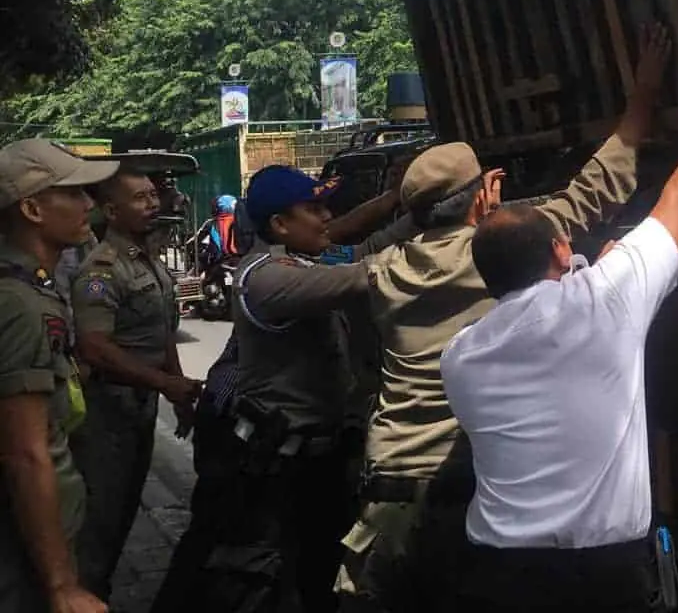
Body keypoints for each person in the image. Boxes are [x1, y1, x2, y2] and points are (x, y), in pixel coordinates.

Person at [337, 25, 673, 613]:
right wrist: (642, 96)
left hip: (387, 485)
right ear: (486, 195)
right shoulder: (497, 251)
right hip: (456, 492)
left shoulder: (385, 268)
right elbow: (598, 188)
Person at [441, 62, 678, 612]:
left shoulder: (461, 357)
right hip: (603, 573)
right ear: (557, 252)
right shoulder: (605, 301)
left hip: (500, 573)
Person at [150, 166, 416, 613]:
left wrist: (405, 206)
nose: (326, 217)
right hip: (270, 470)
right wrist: (454, 235)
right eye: (314, 209)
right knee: (243, 578)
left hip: (311, 460)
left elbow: (363, 246)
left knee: (313, 570)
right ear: (279, 225)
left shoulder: (301, 260)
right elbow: (370, 271)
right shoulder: (269, 277)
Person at [69, 169, 202, 601]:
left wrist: (174, 385)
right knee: (100, 528)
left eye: (152, 196)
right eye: (141, 198)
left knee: (124, 514)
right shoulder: (101, 270)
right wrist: (164, 383)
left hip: (139, 411)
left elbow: (161, 331)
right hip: (107, 416)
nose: (153, 205)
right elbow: (94, 347)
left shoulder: (145, 260)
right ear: (111, 211)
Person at [0, 139, 119, 613]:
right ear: (31, 208)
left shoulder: (34, 288)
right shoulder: (18, 302)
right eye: (73, 193)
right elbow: (24, 453)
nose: (88, 204)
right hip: (23, 551)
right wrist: (60, 586)